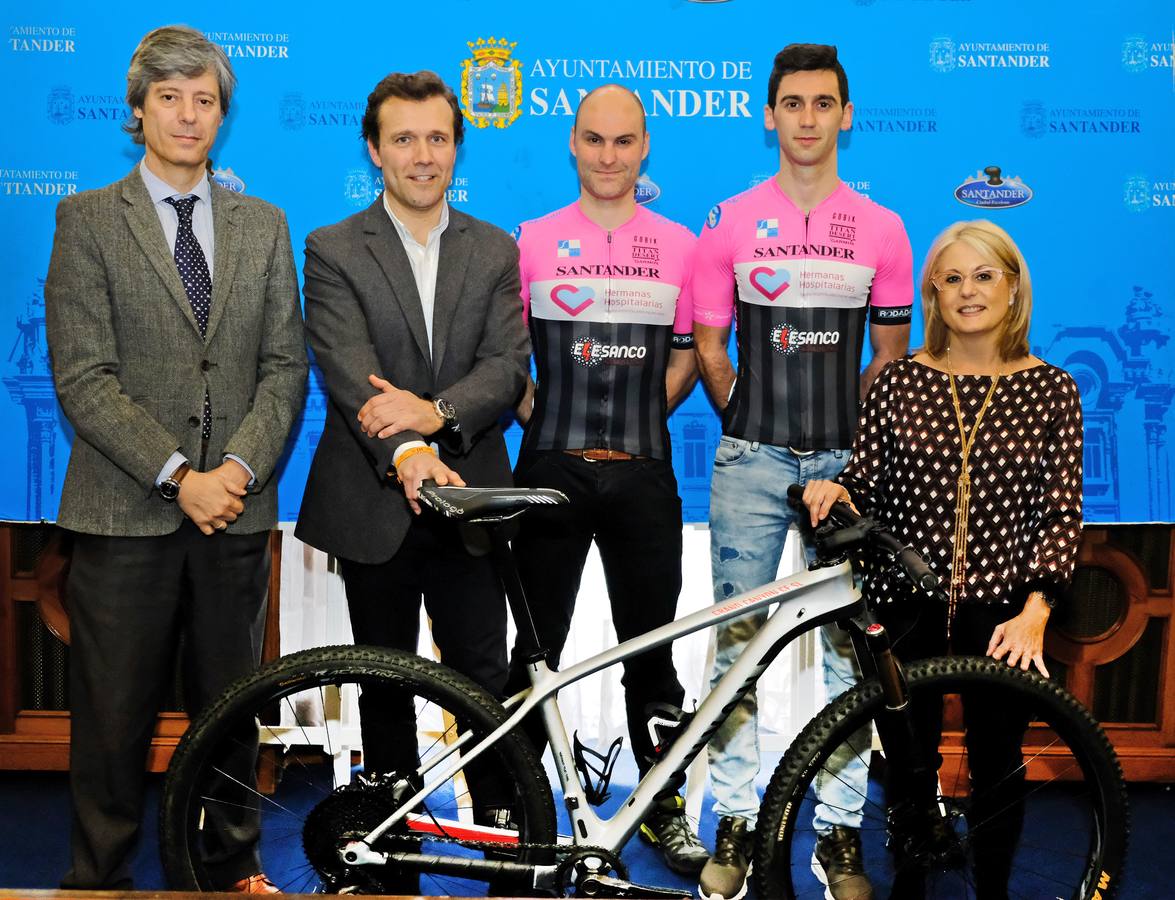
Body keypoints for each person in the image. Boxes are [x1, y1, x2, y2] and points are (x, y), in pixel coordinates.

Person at [44, 24, 308, 893]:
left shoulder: (263, 226)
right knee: (111, 722)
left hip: (235, 512)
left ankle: (230, 871)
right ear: (138, 110)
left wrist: (231, 473)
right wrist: (177, 476)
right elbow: (84, 378)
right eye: (170, 98)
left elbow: (284, 366)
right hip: (124, 513)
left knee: (230, 714)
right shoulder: (85, 221)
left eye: (204, 100)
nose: (188, 116)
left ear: (221, 115)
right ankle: (101, 880)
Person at [803, 219, 1084, 898]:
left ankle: (991, 891)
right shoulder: (897, 383)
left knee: (996, 763)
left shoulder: (1052, 390)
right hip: (903, 605)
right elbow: (864, 481)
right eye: (952, 277)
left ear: (1013, 289)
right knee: (906, 765)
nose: (967, 291)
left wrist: (1036, 609)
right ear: (931, 293)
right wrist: (834, 488)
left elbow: (1059, 511)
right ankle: (907, 886)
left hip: (1002, 617)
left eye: (984, 275)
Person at [692, 43, 914, 900]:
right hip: (750, 460)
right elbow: (710, 345)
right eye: (793, 103)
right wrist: (747, 423)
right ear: (770, 116)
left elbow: (888, 361)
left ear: (845, 115)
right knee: (735, 650)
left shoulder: (884, 229)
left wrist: (847, 456)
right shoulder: (730, 220)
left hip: (846, 468)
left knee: (848, 655)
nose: (809, 118)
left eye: (824, 103)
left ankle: (836, 832)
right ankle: (737, 820)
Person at [296, 71, 530, 820]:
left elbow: (505, 368)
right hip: (372, 504)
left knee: (483, 680)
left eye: (436, 137)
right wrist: (405, 451)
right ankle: (393, 843)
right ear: (374, 150)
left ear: (457, 147)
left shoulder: (494, 248)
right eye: (404, 139)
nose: (422, 155)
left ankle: (505, 840)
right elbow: (344, 364)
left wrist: (430, 413)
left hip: (470, 503)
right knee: (384, 683)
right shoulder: (332, 248)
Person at [504, 84, 707, 875]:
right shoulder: (531, 241)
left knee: (650, 654)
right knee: (536, 650)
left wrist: (624, 424)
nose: (608, 156)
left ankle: (661, 808)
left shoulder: (681, 245)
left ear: (644, 146)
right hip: (548, 472)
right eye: (594, 140)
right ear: (572, 144)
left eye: (623, 142)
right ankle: (520, 807)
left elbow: (688, 356)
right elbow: (506, 360)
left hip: (643, 477)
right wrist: (544, 422)